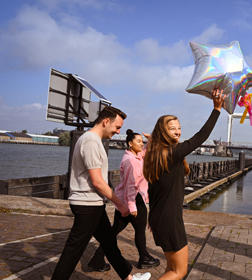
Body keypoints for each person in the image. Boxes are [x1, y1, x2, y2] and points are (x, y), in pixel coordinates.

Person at [51, 106, 150, 280]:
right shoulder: (91, 141)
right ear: (105, 122)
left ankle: (129, 278)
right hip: (87, 204)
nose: (118, 132)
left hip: (93, 204)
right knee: (73, 250)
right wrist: (120, 203)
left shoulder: (92, 140)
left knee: (109, 243)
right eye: (117, 127)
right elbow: (97, 181)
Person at [143, 88, 225, 280]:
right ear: (163, 131)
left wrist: (153, 218)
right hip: (170, 219)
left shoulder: (156, 155)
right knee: (179, 272)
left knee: (170, 268)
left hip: (160, 218)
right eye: (172, 128)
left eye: (179, 127)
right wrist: (217, 109)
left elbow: (151, 191)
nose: (178, 131)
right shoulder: (171, 153)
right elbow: (201, 136)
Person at [87, 129, 160, 271]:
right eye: (138, 141)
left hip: (128, 199)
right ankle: (144, 258)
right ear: (130, 143)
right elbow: (130, 185)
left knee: (114, 231)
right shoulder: (131, 161)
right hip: (134, 199)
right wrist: (132, 206)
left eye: (142, 141)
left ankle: (97, 260)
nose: (141, 143)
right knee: (139, 231)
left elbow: (146, 152)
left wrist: (150, 140)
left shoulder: (135, 156)